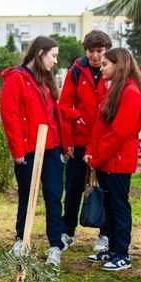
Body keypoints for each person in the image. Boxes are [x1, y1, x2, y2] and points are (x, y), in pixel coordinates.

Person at [84, 48, 141, 272]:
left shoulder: (131, 92)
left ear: (119, 64)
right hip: (107, 160)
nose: (100, 67)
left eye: (105, 64)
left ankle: (122, 253)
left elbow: (119, 133)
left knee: (119, 206)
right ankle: (113, 249)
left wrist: (97, 157)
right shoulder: (114, 89)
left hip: (117, 161)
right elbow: (100, 125)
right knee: (110, 206)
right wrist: (92, 151)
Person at [0, 36, 65, 266]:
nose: (55, 61)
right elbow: (10, 116)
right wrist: (17, 149)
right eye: (53, 55)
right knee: (27, 196)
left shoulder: (47, 80)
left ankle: (55, 245)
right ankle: (21, 239)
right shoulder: (16, 79)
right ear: (40, 53)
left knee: (54, 196)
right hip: (28, 149)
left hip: (52, 148)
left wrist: (64, 146)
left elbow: (55, 115)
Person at [58, 30, 112, 254]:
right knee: (72, 188)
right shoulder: (75, 72)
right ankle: (67, 232)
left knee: (106, 189)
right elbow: (63, 105)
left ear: (106, 50)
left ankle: (105, 234)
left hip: (103, 142)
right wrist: (69, 137)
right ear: (86, 51)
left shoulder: (114, 70)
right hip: (80, 141)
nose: (95, 56)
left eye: (100, 51)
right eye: (91, 51)